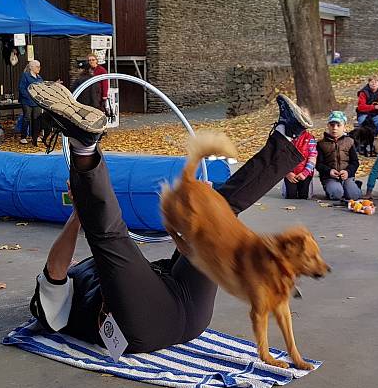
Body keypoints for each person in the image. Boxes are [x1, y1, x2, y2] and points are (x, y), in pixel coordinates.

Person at [26, 87, 314, 354]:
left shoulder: (79, 286)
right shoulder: (50, 311)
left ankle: (286, 135)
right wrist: (79, 216)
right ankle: (83, 145)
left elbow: (59, 271)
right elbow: (55, 268)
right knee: (108, 237)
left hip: (181, 302)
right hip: (145, 327)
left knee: (216, 216)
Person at [316, 111, 361, 201]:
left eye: (338, 125)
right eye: (332, 125)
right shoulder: (321, 144)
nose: (335, 128)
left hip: (347, 176)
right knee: (337, 194)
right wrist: (329, 171)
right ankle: (331, 189)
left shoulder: (349, 141)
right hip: (330, 177)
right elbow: (319, 164)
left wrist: (348, 172)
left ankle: (355, 185)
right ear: (328, 126)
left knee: (354, 195)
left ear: (344, 127)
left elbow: (355, 162)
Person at [282, 128, 317, 199]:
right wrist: (287, 173)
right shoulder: (286, 138)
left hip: (305, 173)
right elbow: (282, 156)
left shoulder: (309, 138)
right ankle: (286, 185)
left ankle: (309, 185)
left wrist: (305, 173)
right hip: (290, 173)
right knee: (291, 195)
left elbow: (312, 157)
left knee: (304, 196)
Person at [18, 60, 44, 145]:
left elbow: (42, 89)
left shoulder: (39, 78)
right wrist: (29, 97)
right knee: (27, 117)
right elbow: (22, 89)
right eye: (37, 66)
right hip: (26, 101)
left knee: (37, 118)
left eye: (39, 66)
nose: (39, 68)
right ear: (31, 67)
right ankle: (23, 137)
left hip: (36, 101)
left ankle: (35, 136)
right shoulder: (25, 76)